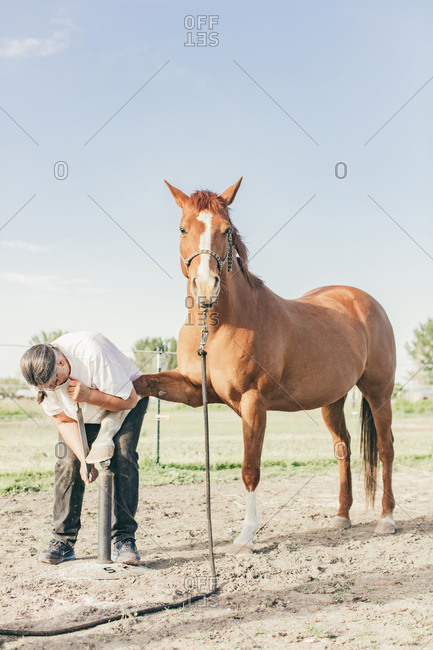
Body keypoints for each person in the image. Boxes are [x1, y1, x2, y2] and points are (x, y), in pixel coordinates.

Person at [20, 331, 148, 565]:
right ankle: (63, 541)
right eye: (48, 387)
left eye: (56, 382)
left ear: (60, 362)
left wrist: (89, 395)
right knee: (67, 462)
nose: (54, 388)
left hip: (126, 398)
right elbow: (62, 420)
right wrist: (83, 459)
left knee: (122, 455)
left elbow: (128, 399)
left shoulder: (92, 353)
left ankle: (124, 539)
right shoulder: (39, 378)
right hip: (80, 412)